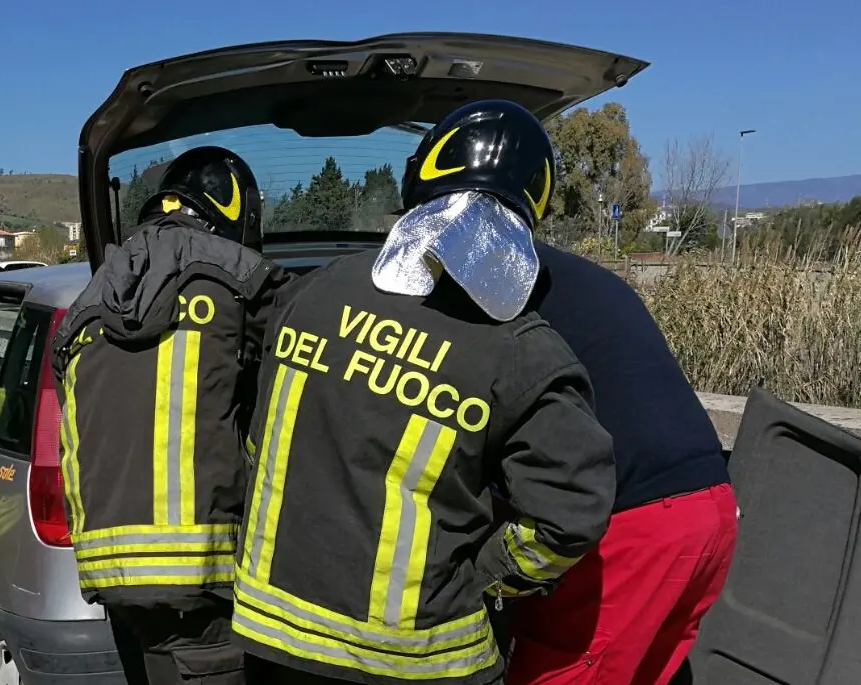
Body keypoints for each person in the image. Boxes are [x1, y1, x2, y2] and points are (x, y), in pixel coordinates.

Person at [231, 100, 617, 685]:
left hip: (272, 634)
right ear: (532, 206)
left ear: (421, 176)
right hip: (413, 658)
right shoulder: (522, 351)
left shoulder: (310, 294)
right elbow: (569, 515)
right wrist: (486, 577)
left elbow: (259, 443)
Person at [50, 146, 288, 685]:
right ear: (237, 212)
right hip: (204, 578)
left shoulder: (87, 304)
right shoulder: (243, 281)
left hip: (112, 576)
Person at [502, 251, 735, 683]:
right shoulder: (567, 275)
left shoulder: (492, 287)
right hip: (710, 507)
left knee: (558, 670)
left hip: (637, 525)